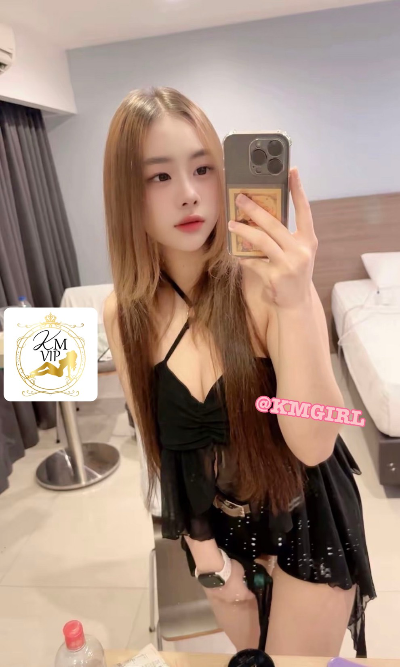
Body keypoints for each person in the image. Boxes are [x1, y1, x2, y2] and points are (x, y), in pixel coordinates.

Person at [102, 86, 376, 657]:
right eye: (159, 176)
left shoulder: (265, 285)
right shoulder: (123, 315)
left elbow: (314, 442)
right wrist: (207, 559)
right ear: (126, 193)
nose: (188, 193)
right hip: (217, 532)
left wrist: (296, 301)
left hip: (306, 518)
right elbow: (164, 455)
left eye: (203, 168)